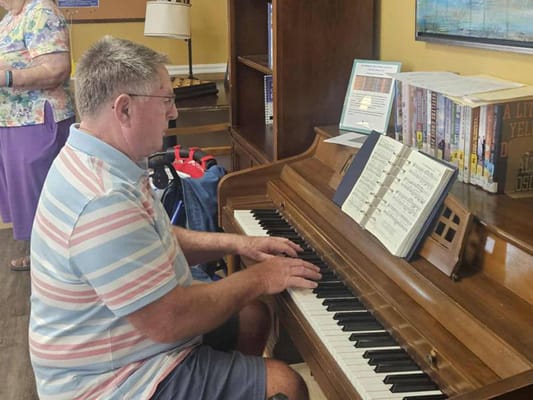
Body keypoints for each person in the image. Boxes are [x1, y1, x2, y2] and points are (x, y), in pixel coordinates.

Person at [29, 35, 321, 400]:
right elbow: (169, 321)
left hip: (132, 342)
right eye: (166, 100)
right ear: (124, 110)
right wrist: (260, 277)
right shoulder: (102, 198)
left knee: (253, 315)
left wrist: (239, 243)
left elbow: (156, 239)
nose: (174, 112)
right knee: (285, 384)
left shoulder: (103, 158)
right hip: (111, 381)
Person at [0, 0, 75, 271]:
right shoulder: (12, 17)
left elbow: (56, 70)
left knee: (44, 197)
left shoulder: (41, 10)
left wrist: (6, 77)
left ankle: (60, 268)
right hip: (14, 121)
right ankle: (43, 257)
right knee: (29, 199)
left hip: (38, 120)